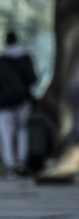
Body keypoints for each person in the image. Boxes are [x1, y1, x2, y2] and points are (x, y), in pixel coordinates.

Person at [0, 31, 38, 177]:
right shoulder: (25, 58)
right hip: (23, 101)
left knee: (7, 134)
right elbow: (33, 78)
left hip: (4, 103)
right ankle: (21, 162)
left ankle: (11, 164)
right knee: (22, 131)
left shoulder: (2, 61)